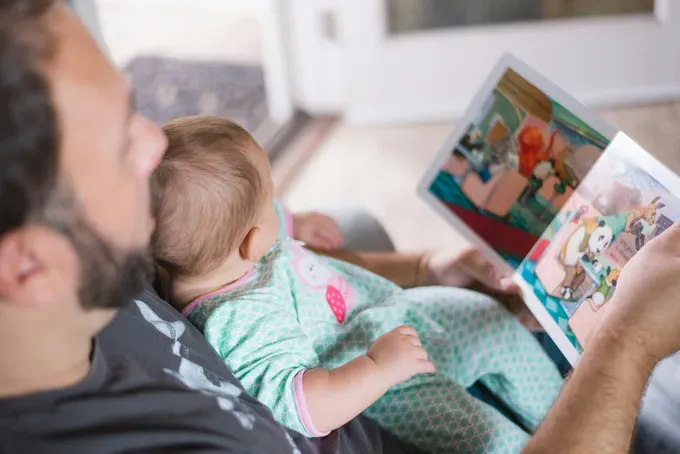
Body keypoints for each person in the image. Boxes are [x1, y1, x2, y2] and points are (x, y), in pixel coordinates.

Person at [0, 2, 678, 453]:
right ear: (28, 267)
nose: (155, 144)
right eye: (121, 145)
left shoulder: (116, 253)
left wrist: (421, 267)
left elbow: (285, 270)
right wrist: (627, 344)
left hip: (406, 329)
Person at [151, 115, 563, 453]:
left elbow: (252, 220)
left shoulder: (216, 254)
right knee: (488, 440)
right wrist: (378, 368)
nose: (279, 205)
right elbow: (303, 405)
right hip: (392, 384)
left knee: (488, 317)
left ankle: (562, 410)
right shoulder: (240, 320)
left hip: (390, 312)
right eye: (271, 200)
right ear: (253, 241)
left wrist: (296, 221)